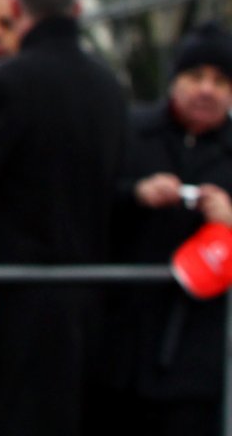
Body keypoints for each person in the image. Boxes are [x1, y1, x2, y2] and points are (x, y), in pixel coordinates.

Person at [0, 0, 127, 436]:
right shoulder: (108, 87)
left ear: (15, 7)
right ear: (77, 7)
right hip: (91, 307)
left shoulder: (6, 84)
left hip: (13, 308)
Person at [101, 22, 232, 433]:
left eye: (220, 80)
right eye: (196, 76)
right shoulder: (131, 131)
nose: (207, 89)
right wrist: (137, 194)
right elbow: (88, 202)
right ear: (175, 80)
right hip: (124, 349)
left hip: (202, 359)